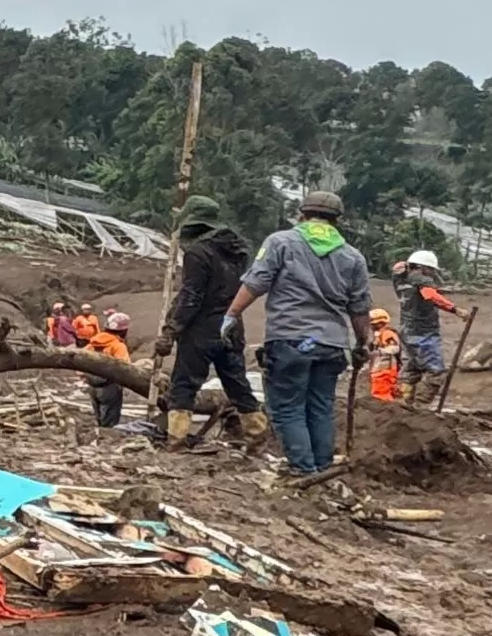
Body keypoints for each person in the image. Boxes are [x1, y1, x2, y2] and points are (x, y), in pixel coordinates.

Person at [228, 187, 375, 481]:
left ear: (302, 214)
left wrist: (231, 314)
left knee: (287, 407)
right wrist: (364, 340)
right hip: (330, 344)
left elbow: (257, 282)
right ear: (337, 219)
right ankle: (321, 470)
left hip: (293, 339)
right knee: (320, 407)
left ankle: (303, 470)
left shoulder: (280, 242)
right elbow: (359, 306)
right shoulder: (353, 256)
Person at [159, 197, 260, 446]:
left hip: (201, 329)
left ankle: (176, 439)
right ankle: (257, 434)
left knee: (184, 385)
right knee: (238, 384)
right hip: (231, 327)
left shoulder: (198, 253)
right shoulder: (238, 252)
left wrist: (171, 330)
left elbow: (191, 296)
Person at [395, 248, 459, 408]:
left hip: (406, 330)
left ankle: (403, 402)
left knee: (413, 368)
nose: (431, 273)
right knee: (436, 372)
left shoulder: (400, 280)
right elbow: (431, 296)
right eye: (430, 269)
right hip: (423, 332)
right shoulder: (420, 280)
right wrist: (455, 310)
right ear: (422, 267)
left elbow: (398, 268)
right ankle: (420, 406)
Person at [89, 310, 133, 429]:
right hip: (110, 387)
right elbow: (125, 367)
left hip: (92, 386)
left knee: (99, 418)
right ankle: (106, 437)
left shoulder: (93, 343)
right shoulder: (118, 345)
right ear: (123, 331)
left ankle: (99, 435)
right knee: (110, 422)